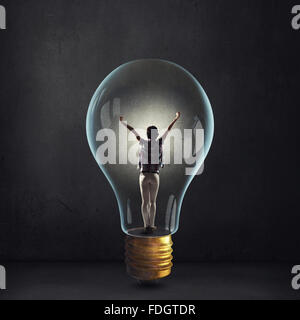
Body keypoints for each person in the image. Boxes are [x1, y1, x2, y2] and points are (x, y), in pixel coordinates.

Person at [120, 112, 181, 233]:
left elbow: (132, 130)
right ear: (156, 134)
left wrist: (123, 122)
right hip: (154, 175)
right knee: (153, 202)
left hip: (143, 175)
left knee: (145, 202)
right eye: (157, 132)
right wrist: (176, 118)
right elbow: (169, 129)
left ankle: (146, 225)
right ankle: (151, 225)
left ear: (147, 134)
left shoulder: (142, 141)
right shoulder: (159, 142)